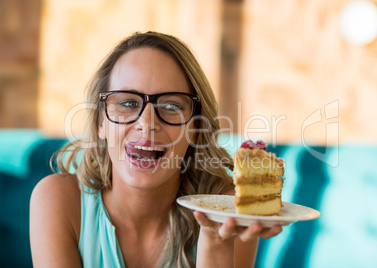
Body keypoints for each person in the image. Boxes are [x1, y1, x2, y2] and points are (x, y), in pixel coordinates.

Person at [30, 31, 282, 268]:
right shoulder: (59, 201)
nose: (147, 124)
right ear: (101, 123)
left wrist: (217, 247)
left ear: (195, 128)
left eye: (171, 106)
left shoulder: (227, 211)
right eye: (128, 103)